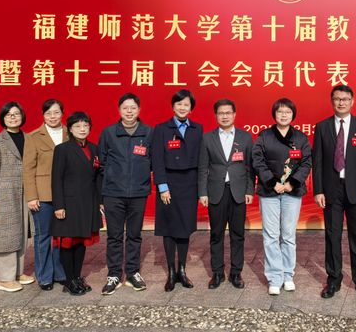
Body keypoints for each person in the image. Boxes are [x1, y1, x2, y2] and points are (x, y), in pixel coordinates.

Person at [312, 85, 356, 300]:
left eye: (345, 99)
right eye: (337, 99)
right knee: (332, 236)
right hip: (331, 190)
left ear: (352, 101)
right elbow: (317, 161)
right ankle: (333, 279)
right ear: (332, 101)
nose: (341, 102)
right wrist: (318, 190)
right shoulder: (322, 127)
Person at [253, 98, 311, 295]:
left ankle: (288, 275)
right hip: (269, 191)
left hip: (292, 191)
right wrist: (272, 182)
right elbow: (257, 161)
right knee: (270, 235)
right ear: (274, 114)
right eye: (280, 111)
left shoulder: (301, 138)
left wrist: (291, 183)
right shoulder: (264, 136)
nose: (284, 115)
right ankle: (274, 278)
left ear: (293, 114)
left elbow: (306, 163)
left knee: (288, 235)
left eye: (287, 112)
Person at [98, 93, 153, 295]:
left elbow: (152, 161)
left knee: (134, 235)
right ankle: (114, 274)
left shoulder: (148, 132)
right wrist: (110, 183)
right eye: (125, 108)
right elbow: (102, 163)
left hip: (138, 193)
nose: (129, 111)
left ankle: (132, 272)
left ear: (139, 110)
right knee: (114, 236)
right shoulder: (109, 133)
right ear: (119, 110)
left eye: (133, 108)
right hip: (113, 193)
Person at [198, 99, 255, 289]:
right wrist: (203, 192)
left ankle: (236, 273)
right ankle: (217, 272)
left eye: (228, 113)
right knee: (216, 234)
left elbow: (250, 167)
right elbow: (203, 167)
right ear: (216, 115)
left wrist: (249, 190)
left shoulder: (245, 137)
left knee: (238, 234)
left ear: (234, 114)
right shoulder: (208, 138)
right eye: (221, 113)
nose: (225, 116)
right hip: (216, 191)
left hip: (238, 192)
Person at [0, 102, 35, 292]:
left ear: (22, 116)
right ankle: (4, 279)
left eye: (16, 114)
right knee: (5, 235)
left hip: (25, 193)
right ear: (3, 118)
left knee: (21, 233)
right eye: (9, 114)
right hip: (4, 195)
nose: (13, 117)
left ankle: (17, 273)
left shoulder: (29, 138)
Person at [152, 89, 203, 291]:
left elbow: (202, 160)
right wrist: (162, 187)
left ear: (191, 108)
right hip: (169, 185)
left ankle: (182, 269)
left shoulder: (197, 129)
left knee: (184, 228)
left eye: (186, 105)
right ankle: (171, 272)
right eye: (179, 104)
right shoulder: (162, 129)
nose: (182, 107)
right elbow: (157, 160)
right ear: (173, 107)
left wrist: (201, 189)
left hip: (189, 185)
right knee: (169, 228)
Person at [50, 111, 102, 295]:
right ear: (70, 129)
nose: (82, 129)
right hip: (69, 204)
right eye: (78, 126)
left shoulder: (94, 148)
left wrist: (100, 201)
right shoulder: (62, 149)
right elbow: (56, 179)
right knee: (68, 242)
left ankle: (77, 277)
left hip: (88, 203)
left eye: (86, 125)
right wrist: (59, 205)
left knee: (81, 242)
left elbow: (97, 177)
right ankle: (69, 280)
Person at [23, 99, 68, 291]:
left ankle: (60, 273)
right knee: (43, 236)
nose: (52, 116)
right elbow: (28, 169)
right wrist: (31, 196)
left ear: (62, 114)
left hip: (66, 194)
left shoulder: (70, 133)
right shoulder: (34, 137)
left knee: (61, 236)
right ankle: (44, 276)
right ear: (43, 115)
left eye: (56, 112)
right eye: (48, 113)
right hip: (43, 194)